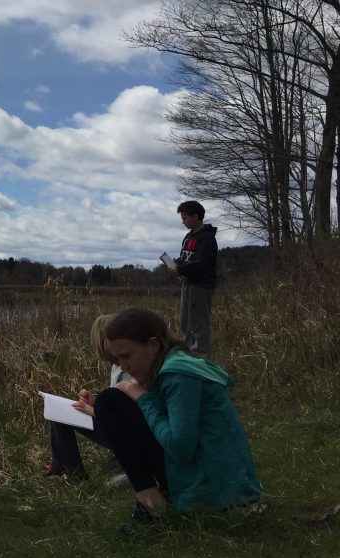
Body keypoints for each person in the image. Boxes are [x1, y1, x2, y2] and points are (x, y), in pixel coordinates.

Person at [102, 307, 262, 519]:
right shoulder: (175, 362)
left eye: (126, 356)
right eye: (118, 359)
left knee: (109, 401)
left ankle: (152, 502)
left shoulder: (177, 376)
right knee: (113, 402)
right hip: (208, 471)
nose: (123, 366)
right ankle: (155, 498)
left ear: (153, 345)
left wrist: (142, 398)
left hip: (213, 485)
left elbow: (180, 448)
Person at [43, 314, 128, 480]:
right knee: (57, 413)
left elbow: (124, 417)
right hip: (117, 430)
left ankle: (74, 473)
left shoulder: (125, 371)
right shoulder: (117, 365)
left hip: (123, 436)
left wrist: (90, 409)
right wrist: (96, 400)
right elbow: (117, 401)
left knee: (60, 417)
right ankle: (60, 466)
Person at [170, 200, 218, 357]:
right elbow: (186, 258)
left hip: (201, 285)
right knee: (185, 321)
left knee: (198, 322)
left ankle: (201, 356)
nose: (183, 222)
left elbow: (201, 264)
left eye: (185, 218)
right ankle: (191, 353)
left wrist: (180, 269)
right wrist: (175, 264)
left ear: (195, 216)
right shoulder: (189, 236)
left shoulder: (207, 238)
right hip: (187, 283)